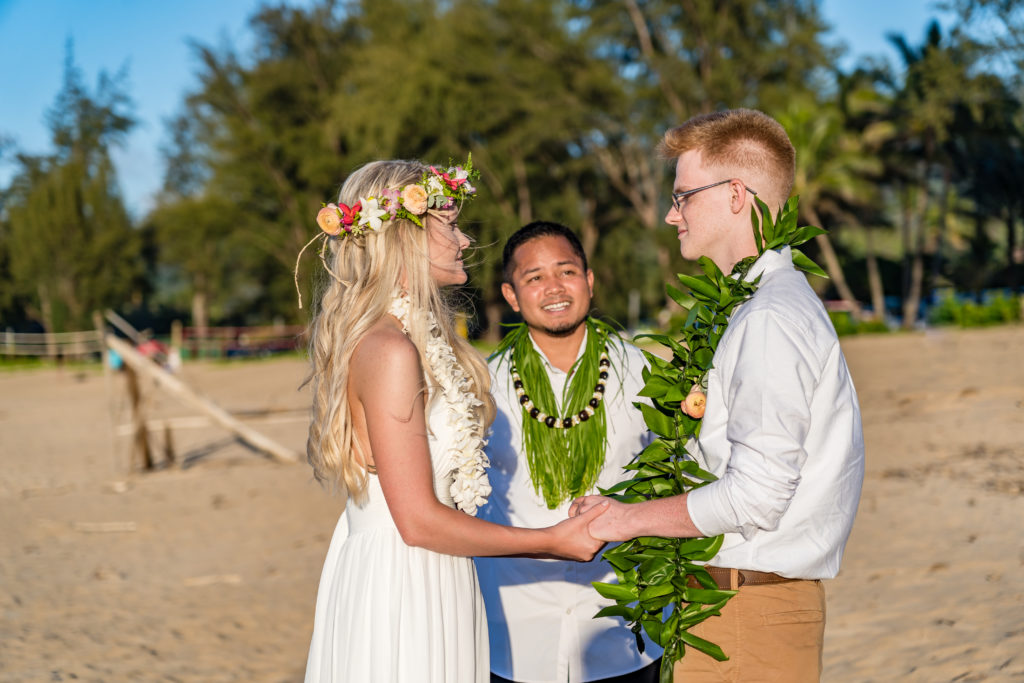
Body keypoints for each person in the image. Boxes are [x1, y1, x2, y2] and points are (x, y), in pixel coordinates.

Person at [571, 109, 866, 682]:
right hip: (735, 613)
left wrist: (626, 520)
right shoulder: (755, 308)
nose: (669, 214)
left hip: (745, 618)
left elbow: (757, 496)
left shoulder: (770, 318)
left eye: (682, 197)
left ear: (736, 194)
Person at [300, 159, 609, 683]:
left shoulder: (406, 338)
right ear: (406, 235)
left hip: (434, 569)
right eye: (450, 224)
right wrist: (551, 540)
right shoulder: (391, 348)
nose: (465, 241)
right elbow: (418, 521)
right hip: (404, 580)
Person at [476, 221, 662, 683]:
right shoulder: (479, 385)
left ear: (590, 280)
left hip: (626, 632)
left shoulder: (646, 374)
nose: (553, 287)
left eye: (566, 271)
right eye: (534, 277)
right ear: (511, 295)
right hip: (513, 638)